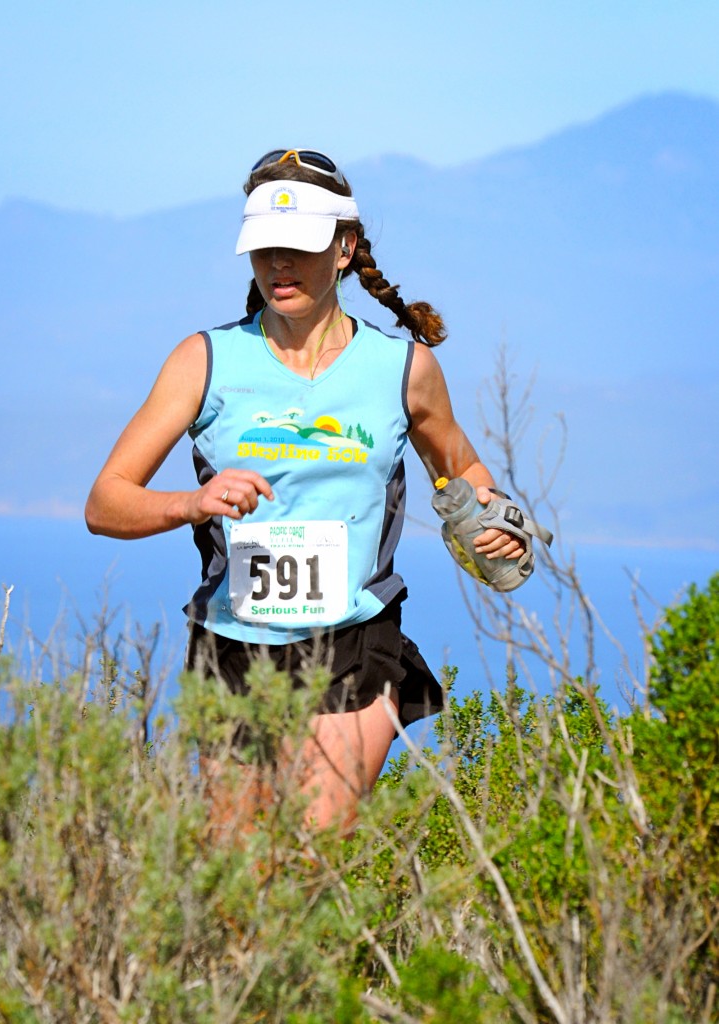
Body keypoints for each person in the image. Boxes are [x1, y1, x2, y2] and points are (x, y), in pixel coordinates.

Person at [85, 148, 525, 837]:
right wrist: (189, 503)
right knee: (243, 878)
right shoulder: (203, 360)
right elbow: (105, 502)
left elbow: (463, 472)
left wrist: (489, 524)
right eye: (264, 250)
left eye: (297, 248)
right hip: (233, 645)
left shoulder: (402, 368)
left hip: (355, 637)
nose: (278, 266)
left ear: (344, 248)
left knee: (310, 858)